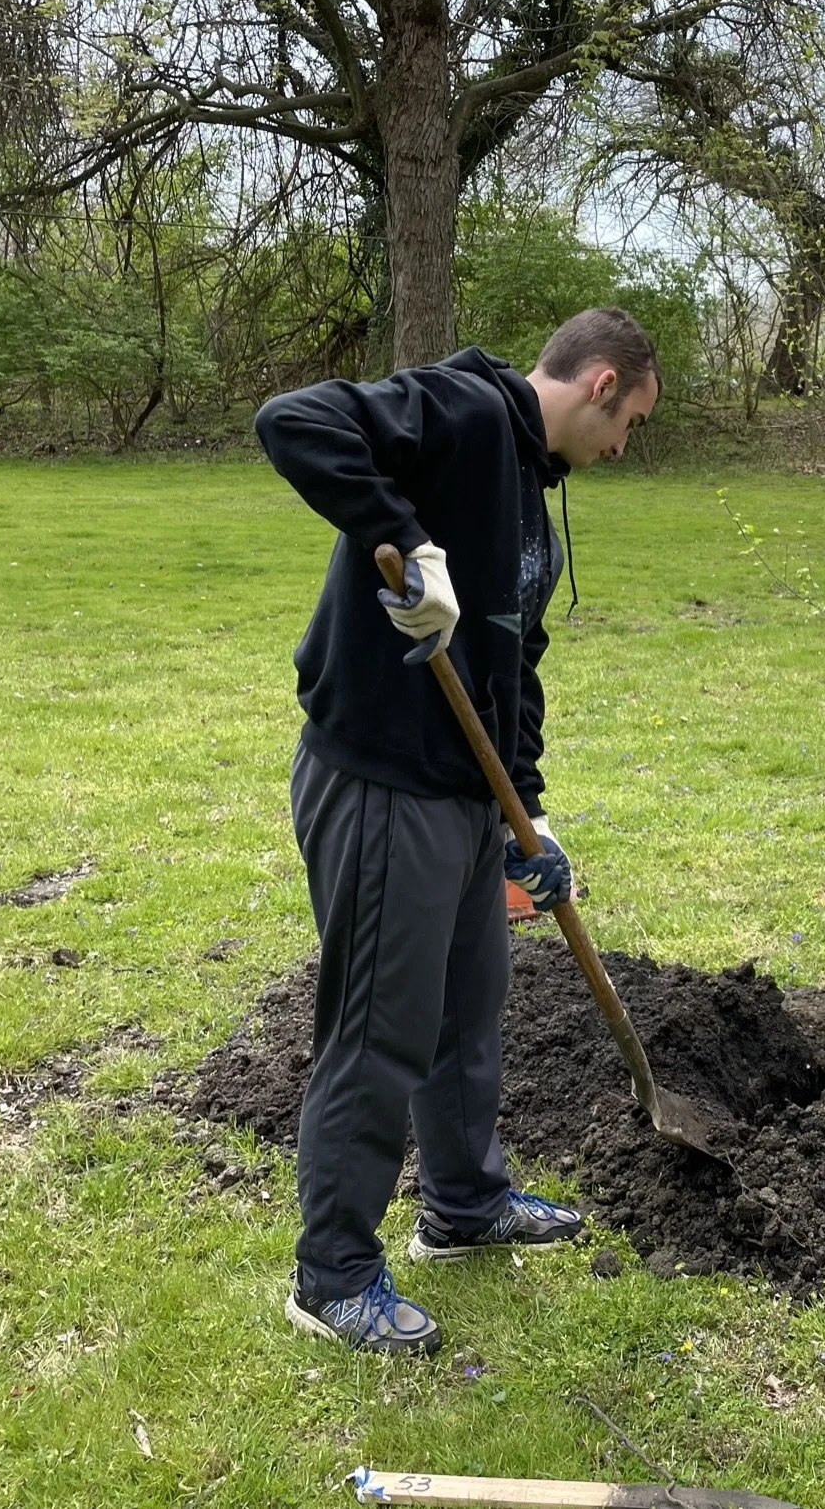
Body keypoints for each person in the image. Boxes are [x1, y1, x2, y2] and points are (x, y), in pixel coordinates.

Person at [256, 308, 662, 1354]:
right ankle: (333, 1271)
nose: (625, 448)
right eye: (632, 423)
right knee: (382, 1025)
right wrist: (405, 544)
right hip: (386, 779)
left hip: (467, 794)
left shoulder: (533, 491)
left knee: (469, 1003)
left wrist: (525, 807)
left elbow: (508, 663)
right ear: (601, 382)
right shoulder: (469, 410)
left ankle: (465, 1205)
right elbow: (295, 422)